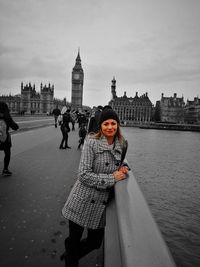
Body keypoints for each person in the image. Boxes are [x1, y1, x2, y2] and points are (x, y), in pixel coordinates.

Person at [61, 107, 129, 266]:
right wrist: (112, 178)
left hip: (99, 203)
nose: (110, 127)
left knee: (95, 242)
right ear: (100, 126)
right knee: (74, 239)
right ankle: (71, 256)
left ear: (118, 125)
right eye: (106, 124)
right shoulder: (91, 142)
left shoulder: (122, 144)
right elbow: (83, 174)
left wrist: (123, 167)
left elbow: (117, 162)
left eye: (113, 123)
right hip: (82, 199)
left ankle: (71, 253)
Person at [0, 101, 19, 176]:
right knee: (7, 153)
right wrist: (16, 127)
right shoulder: (6, 115)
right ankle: (5, 169)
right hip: (4, 137)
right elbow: (14, 126)